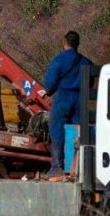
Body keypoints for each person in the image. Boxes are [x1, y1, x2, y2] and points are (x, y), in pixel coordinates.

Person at [38, 31, 92, 177]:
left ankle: (57, 167)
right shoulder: (86, 62)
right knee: (78, 131)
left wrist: (48, 93)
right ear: (78, 43)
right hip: (81, 98)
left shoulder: (58, 60)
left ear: (64, 42)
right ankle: (76, 167)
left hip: (62, 97)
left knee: (57, 131)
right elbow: (92, 82)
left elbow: (49, 84)